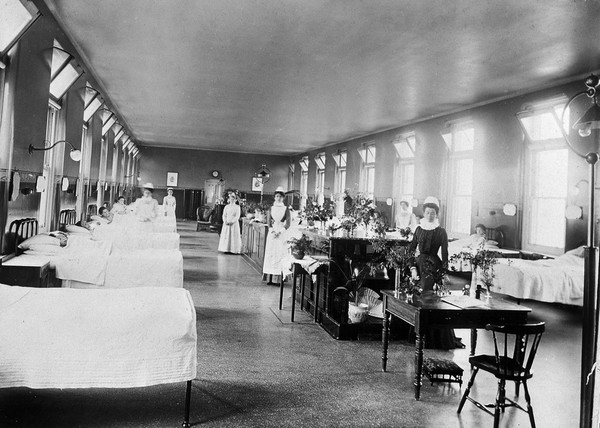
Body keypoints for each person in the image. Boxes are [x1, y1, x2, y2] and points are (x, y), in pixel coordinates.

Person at [409, 196, 463, 349]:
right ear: (423, 213)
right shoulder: (419, 229)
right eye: (427, 212)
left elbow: (445, 254)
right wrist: (412, 268)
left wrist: (442, 274)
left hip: (433, 266)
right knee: (416, 297)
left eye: (433, 213)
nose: (430, 215)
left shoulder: (441, 232)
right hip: (418, 266)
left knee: (430, 296)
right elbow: (410, 250)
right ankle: (417, 334)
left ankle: (432, 339)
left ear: (436, 214)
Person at [262, 187, 291, 285]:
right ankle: (270, 278)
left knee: (279, 254)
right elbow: (268, 221)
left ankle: (278, 279)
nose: (278, 198)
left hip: (281, 233)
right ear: (274, 197)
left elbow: (288, 223)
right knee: (271, 254)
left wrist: (281, 231)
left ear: (283, 198)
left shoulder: (286, 209)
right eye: (277, 196)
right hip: (272, 233)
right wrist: (272, 231)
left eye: (280, 197)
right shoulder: (271, 208)